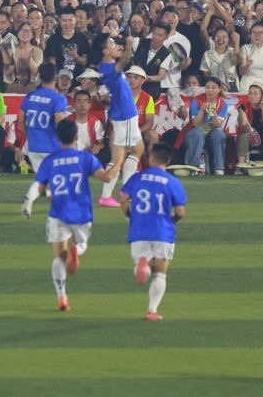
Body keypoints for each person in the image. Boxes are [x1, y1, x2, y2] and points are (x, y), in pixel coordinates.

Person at [24, 119, 119, 312]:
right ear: (76, 137)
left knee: (59, 257)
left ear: (58, 137)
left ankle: (62, 297)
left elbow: (39, 186)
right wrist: (120, 161)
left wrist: (29, 200)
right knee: (82, 243)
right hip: (81, 213)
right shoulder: (86, 159)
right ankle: (77, 249)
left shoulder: (50, 161)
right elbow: (107, 177)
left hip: (58, 213)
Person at [118, 142, 186, 321]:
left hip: (139, 229)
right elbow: (180, 212)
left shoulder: (138, 177)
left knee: (145, 263)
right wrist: (172, 221)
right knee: (160, 273)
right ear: (168, 161)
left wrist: (128, 214)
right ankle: (152, 310)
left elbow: (123, 197)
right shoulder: (173, 182)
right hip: (163, 231)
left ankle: (143, 265)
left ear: (151, 158)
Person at [98, 37, 144, 206]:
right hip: (124, 115)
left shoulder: (103, 66)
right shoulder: (110, 68)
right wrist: (129, 44)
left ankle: (126, 190)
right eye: (112, 44)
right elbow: (124, 61)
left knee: (137, 149)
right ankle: (107, 196)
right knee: (119, 156)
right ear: (105, 51)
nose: (117, 46)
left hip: (123, 114)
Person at [20, 62, 70, 218]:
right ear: (55, 77)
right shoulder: (58, 99)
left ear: (40, 77)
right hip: (52, 146)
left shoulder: (30, 96)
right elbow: (60, 121)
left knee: (43, 179)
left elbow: (21, 119)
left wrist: (29, 135)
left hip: (34, 146)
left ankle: (30, 199)